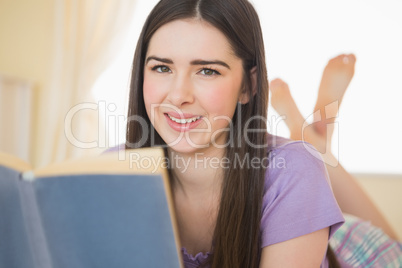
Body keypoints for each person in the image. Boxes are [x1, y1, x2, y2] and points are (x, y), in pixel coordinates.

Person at [124, 0, 344, 267]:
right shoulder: (107, 173)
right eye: (162, 68)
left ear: (247, 86)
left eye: (207, 71)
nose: (179, 95)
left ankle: (314, 137)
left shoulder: (292, 173)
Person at [270, 54, 402, 267]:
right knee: (390, 247)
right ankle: (313, 144)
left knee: (388, 245)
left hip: (357, 247)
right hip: (375, 252)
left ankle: (313, 144)